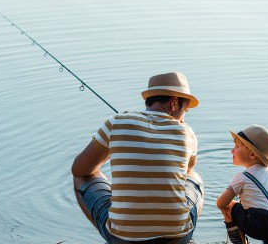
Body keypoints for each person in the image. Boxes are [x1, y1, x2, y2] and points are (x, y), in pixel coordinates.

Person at [71, 72, 204, 243]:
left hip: (123, 238)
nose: (184, 117)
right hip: (177, 237)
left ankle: (113, 233)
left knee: (81, 177)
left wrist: (113, 149)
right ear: (174, 103)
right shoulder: (187, 133)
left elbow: (78, 169)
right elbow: (187, 171)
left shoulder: (116, 122)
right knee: (195, 178)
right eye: (185, 110)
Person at [216, 125, 268, 244]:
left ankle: (239, 242)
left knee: (229, 206)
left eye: (237, 146)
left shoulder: (242, 177)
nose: (232, 150)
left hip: (259, 224)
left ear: (252, 155)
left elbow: (220, 203)